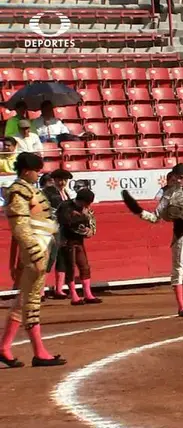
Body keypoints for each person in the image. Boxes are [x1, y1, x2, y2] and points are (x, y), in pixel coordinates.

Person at [122, 163, 183, 317]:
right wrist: (138, 210)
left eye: (181, 178)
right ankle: (181, 306)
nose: (178, 180)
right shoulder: (168, 194)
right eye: (175, 177)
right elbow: (155, 217)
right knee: (178, 268)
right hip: (180, 233)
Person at [0, 152, 66, 368]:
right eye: (36, 170)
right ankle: (39, 352)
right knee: (32, 301)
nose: (38, 174)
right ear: (27, 170)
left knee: (24, 300)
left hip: (39, 248)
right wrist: (35, 253)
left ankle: (4, 348)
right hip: (35, 251)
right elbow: (19, 227)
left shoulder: (28, 190)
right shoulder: (19, 191)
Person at [56, 189, 100, 305]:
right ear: (81, 201)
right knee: (70, 268)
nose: (88, 206)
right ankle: (74, 296)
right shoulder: (65, 206)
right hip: (66, 241)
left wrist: (90, 230)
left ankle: (88, 294)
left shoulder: (85, 209)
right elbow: (67, 223)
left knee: (84, 267)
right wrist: (83, 218)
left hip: (79, 241)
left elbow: (92, 224)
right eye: (87, 203)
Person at [42, 169, 75, 299]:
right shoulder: (47, 192)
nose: (63, 182)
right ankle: (40, 291)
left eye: (65, 180)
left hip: (64, 230)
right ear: (54, 180)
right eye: (60, 180)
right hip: (51, 229)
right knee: (49, 259)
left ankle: (59, 289)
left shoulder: (67, 193)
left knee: (62, 259)